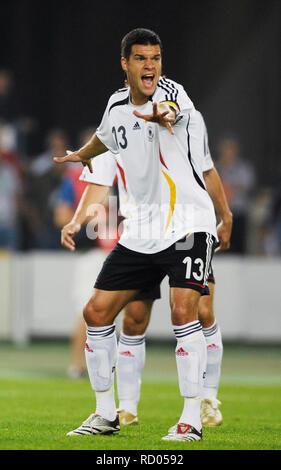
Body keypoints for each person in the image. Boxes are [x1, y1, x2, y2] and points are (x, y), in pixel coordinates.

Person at [54, 28, 232, 442]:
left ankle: (191, 419)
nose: (150, 65)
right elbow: (105, 138)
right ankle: (106, 414)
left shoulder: (172, 93)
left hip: (189, 222)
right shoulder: (116, 106)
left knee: (186, 312)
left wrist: (161, 113)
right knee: (97, 313)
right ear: (125, 64)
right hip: (141, 231)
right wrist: (81, 156)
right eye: (141, 58)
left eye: (155, 57)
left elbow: (169, 108)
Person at [216, 136, 255, 254]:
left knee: (239, 247)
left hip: (238, 213)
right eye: (226, 150)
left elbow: (247, 184)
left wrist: (228, 186)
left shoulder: (243, 168)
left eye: (231, 150)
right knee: (221, 246)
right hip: (221, 214)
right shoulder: (216, 168)